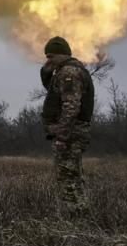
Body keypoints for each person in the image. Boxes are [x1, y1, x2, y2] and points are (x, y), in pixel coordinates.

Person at [40, 36, 94, 212]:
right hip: (74, 132)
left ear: (62, 55)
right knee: (72, 175)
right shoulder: (68, 71)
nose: (48, 60)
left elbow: (71, 107)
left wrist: (62, 137)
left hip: (71, 133)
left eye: (51, 56)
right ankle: (81, 213)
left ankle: (77, 218)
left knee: (67, 177)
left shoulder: (69, 73)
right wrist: (46, 73)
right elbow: (55, 93)